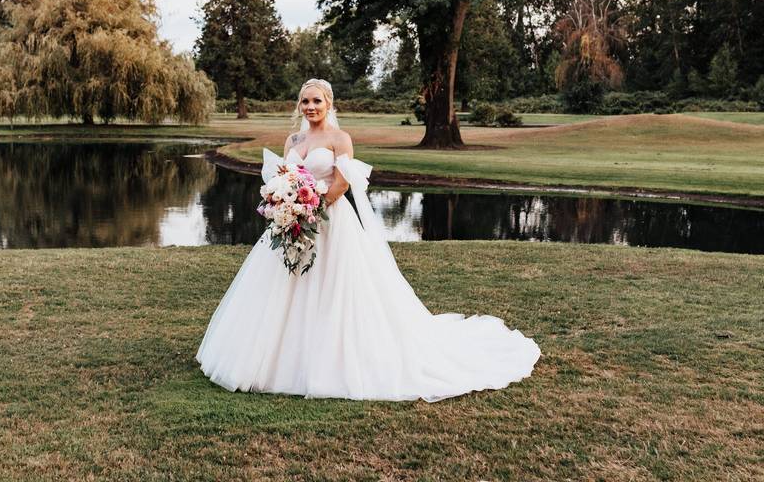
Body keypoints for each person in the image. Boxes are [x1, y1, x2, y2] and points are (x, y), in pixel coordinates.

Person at [195, 78, 540, 402]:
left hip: (329, 221)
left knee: (334, 287)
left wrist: (311, 207)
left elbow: (344, 182)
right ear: (298, 106)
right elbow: (286, 175)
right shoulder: (293, 142)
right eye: (305, 101)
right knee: (283, 284)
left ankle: (334, 358)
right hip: (293, 220)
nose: (310, 106)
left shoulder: (339, 138)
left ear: (328, 104)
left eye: (317, 100)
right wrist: (287, 203)